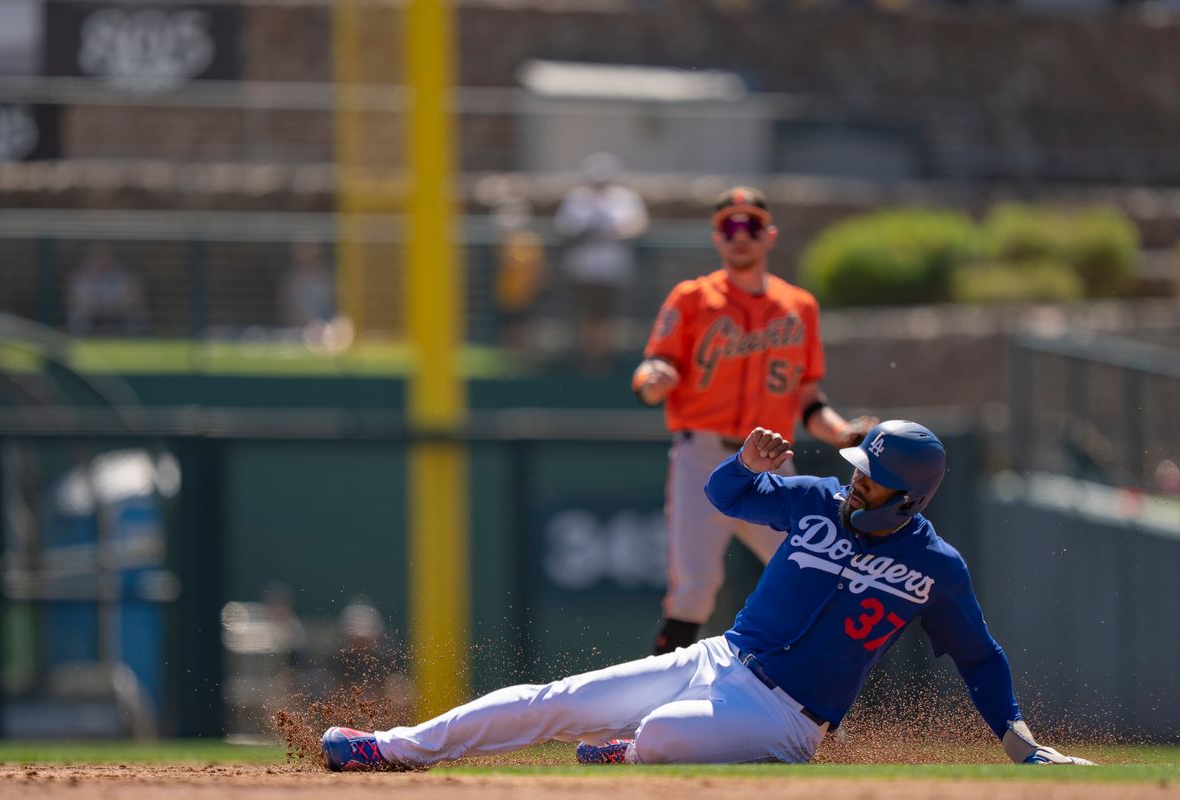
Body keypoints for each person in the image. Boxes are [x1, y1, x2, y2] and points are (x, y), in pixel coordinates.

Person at [319, 420, 1094, 769]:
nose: (856, 481)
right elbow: (731, 497)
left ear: (908, 501)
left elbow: (980, 658)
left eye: (873, 479)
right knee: (555, 698)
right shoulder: (819, 498)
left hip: (788, 718)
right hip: (719, 658)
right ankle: (390, 748)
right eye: (859, 468)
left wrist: (1020, 745)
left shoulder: (937, 567)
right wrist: (747, 462)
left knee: (658, 734)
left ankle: (633, 753)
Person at [634, 186, 876, 655]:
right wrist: (651, 379)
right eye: (729, 225)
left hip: (772, 461)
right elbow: (650, 369)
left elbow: (809, 401)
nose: (739, 236)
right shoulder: (691, 298)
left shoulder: (798, 306)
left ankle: (814, 709)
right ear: (716, 237)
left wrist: (843, 433)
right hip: (702, 456)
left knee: (817, 572)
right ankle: (651, 705)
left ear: (769, 235)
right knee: (694, 589)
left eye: (750, 226)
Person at [554, 152, 648, 374]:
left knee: (608, 316)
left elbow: (636, 225)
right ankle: (585, 361)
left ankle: (605, 361)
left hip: (612, 269)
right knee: (584, 315)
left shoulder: (625, 199)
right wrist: (588, 229)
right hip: (583, 268)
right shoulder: (577, 198)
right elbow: (565, 227)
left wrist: (613, 231)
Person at [491, 196, 546, 354]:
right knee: (509, 327)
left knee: (525, 327)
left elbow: (538, 268)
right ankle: (510, 356)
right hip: (508, 294)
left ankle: (523, 355)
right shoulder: (504, 240)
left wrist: (538, 285)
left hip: (527, 294)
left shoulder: (531, 240)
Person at [66, 243, 149, 336]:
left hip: (118, 310)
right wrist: (93, 307)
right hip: (91, 312)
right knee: (78, 316)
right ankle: (81, 340)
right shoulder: (80, 276)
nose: (100, 260)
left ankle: (137, 341)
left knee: (137, 314)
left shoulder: (121, 274)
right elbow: (74, 301)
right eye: (96, 256)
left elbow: (132, 297)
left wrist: (116, 307)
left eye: (104, 256)